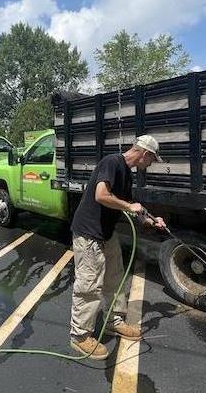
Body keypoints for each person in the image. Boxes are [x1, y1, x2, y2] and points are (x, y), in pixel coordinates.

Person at [69, 134, 166, 360]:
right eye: (151, 160)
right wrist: (130, 206)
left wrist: (151, 219)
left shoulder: (127, 175)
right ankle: (80, 336)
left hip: (107, 233)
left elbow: (132, 208)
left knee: (115, 278)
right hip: (89, 234)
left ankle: (114, 321)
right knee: (89, 285)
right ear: (144, 154)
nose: (150, 165)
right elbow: (102, 195)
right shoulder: (112, 162)